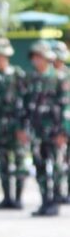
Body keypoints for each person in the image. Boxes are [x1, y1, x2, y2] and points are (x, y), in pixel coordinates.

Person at [21, 40, 68, 217]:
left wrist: (63, 132)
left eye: (39, 57)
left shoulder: (59, 78)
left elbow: (66, 107)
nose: (37, 60)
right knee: (39, 165)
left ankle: (55, 201)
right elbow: (24, 105)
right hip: (36, 131)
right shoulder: (30, 79)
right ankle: (45, 201)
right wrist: (23, 128)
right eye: (34, 57)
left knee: (56, 167)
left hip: (54, 131)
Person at [0, 37, 27, 210]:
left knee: (19, 162)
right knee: (2, 163)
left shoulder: (17, 75)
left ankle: (18, 198)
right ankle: (7, 197)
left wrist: (23, 127)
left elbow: (25, 102)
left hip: (15, 126)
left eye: (1, 55)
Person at [51, 40, 70, 203]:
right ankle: (57, 193)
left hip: (67, 125)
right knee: (57, 161)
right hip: (55, 126)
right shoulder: (49, 77)